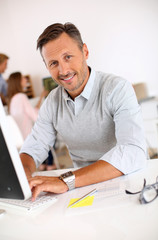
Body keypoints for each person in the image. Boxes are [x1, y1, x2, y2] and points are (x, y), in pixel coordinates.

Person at [20, 23, 147, 201]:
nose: (63, 70)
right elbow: (33, 149)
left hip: (127, 183)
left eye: (68, 57)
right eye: (53, 63)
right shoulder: (51, 103)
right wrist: (23, 177)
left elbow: (133, 151)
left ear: (85, 52)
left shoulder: (117, 88)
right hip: (82, 190)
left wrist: (65, 181)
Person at [7, 72, 56, 170]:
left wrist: (41, 96)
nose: (26, 80)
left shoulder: (12, 100)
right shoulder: (21, 96)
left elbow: (31, 111)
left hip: (20, 139)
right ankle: (50, 165)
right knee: (50, 133)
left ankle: (42, 165)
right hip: (29, 138)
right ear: (18, 82)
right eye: (23, 78)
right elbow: (35, 116)